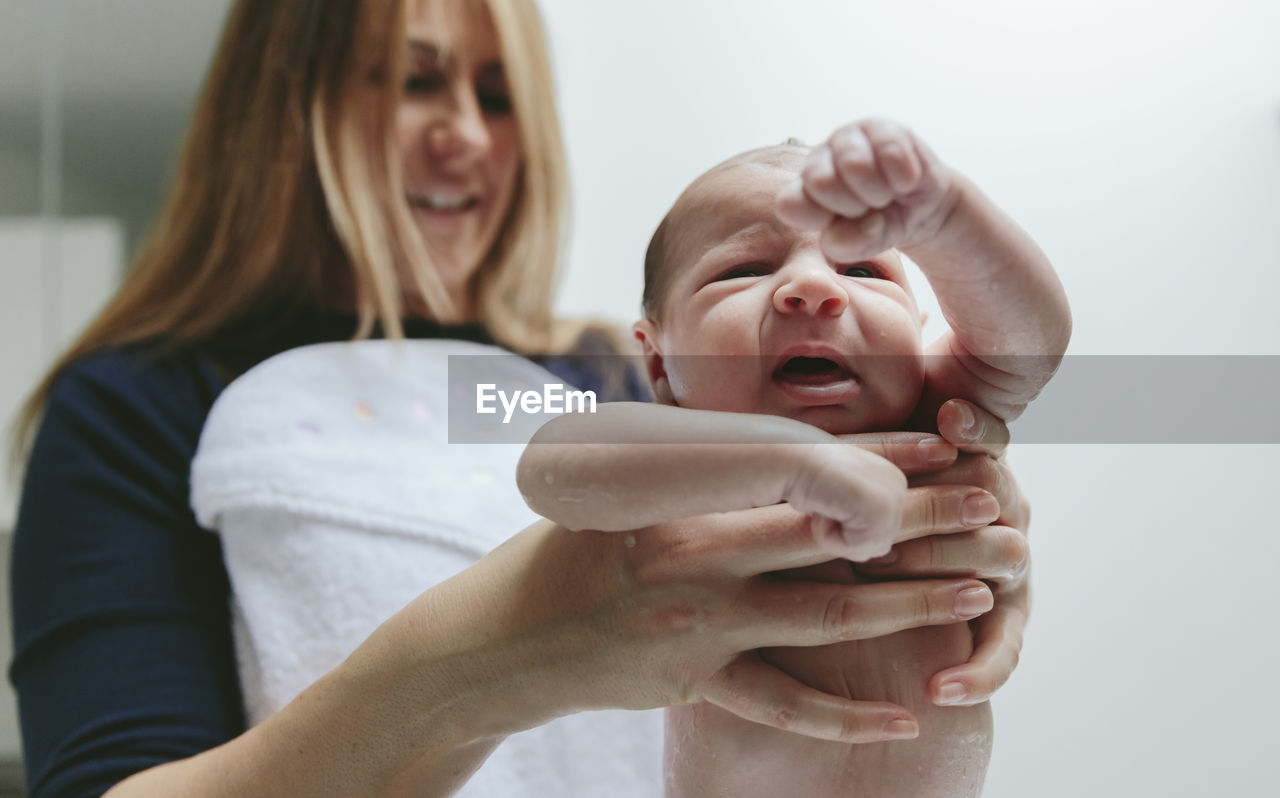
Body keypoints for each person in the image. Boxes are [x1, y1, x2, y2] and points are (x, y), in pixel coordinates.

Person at [5, 1, 1033, 796]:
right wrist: (497, 658)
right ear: (287, 107)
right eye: (414, 85)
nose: (465, 138)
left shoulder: (601, 377)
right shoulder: (141, 404)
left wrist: (950, 523)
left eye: (497, 98)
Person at [518, 119, 1069, 796]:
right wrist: (790, 464)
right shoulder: (678, 456)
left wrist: (946, 216)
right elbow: (552, 465)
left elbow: (1032, 343)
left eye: (864, 268)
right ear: (660, 361)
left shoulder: (933, 416)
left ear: (920, 334)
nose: (811, 288)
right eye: (745, 269)